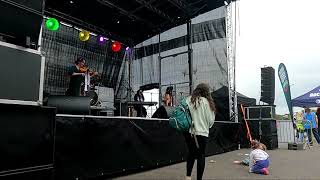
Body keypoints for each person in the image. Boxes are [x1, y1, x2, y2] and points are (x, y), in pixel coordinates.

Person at [184, 83, 215, 180]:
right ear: (206, 92)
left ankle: (188, 177)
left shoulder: (188, 99)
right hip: (202, 133)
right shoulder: (207, 102)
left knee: (191, 154)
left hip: (189, 132)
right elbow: (210, 121)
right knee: (201, 155)